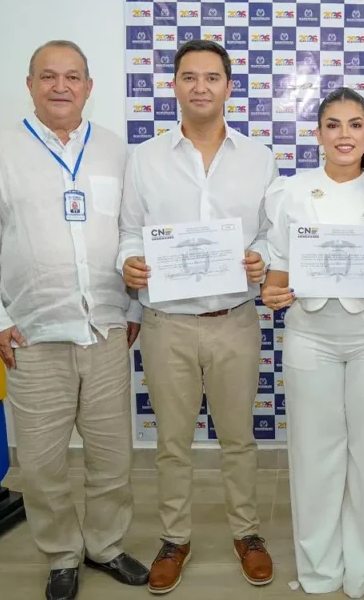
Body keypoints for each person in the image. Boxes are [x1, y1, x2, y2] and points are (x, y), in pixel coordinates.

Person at [0, 39, 149, 600]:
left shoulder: (117, 152)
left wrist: (134, 307)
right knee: (42, 464)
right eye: (48, 76)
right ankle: (62, 554)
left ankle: (106, 546)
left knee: (113, 455)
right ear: (31, 84)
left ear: (90, 87)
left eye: (72, 77)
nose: (60, 86)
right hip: (33, 336)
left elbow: (134, 236)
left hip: (107, 332)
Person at [117, 39, 278, 594]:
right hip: (167, 324)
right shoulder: (145, 158)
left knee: (238, 438)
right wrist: (129, 262)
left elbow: (269, 235)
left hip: (234, 317)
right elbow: (130, 232)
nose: (201, 87)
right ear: (176, 86)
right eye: (190, 77)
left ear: (229, 87)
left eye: (212, 77)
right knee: (173, 443)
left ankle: (247, 533)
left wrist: (263, 257)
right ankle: (175, 537)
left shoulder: (260, 159)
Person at [260, 87, 364, 599]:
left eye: (355, 125)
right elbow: (278, 271)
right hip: (310, 335)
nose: (345, 135)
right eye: (333, 125)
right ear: (318, 134)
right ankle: (319, 570)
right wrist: (271, 291)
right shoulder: (290, 191)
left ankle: (360, 568)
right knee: (314, 457)